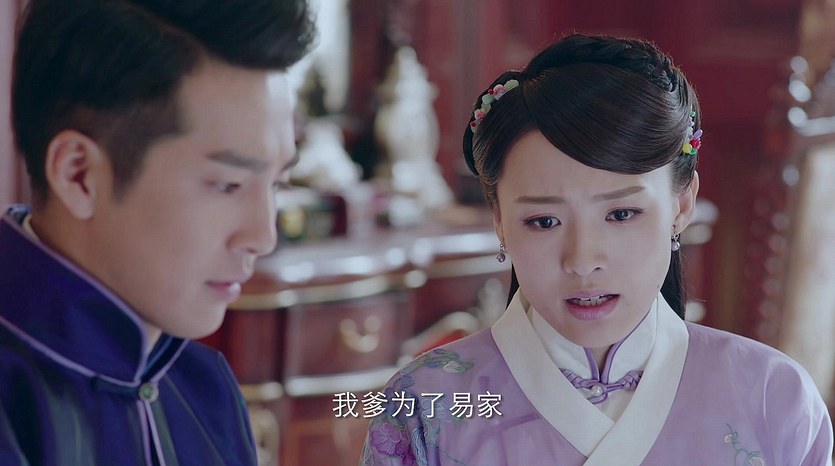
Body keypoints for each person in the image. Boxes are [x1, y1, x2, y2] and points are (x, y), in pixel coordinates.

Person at [360, 33, 834, 465]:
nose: (582, 261)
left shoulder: (774, 398)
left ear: (681, 205)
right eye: (544, 221)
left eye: (622, 214)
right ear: (500, 221)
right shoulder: (424, 405)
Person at [0, 0, 314, 464]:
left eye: (277, 183)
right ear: (79, 175)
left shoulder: (206, 387)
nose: (262, 236)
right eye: (228, 185)